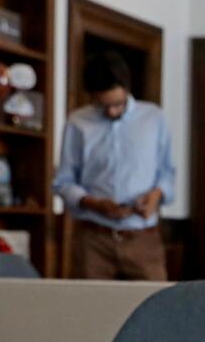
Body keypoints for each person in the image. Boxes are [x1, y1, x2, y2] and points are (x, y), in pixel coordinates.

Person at [54, 51, 175, 280]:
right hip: (94, 240)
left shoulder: (154, 118)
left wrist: (156, 195)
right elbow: (63, 181)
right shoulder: (77, 123)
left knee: (154, 308)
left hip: (143, 238)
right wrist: (94, 203)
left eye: (117, 104)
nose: (111, 111)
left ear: (127, 89)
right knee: (90, 311)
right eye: (103, 105)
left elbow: (167, 173)